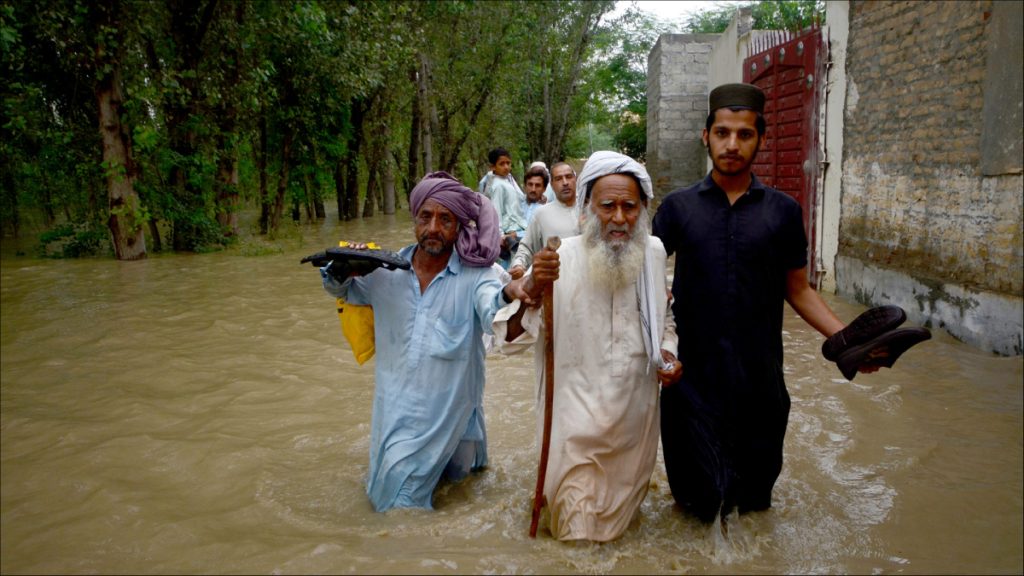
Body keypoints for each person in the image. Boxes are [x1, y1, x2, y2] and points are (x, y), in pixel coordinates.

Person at [651, 83, 879, 523]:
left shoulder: (784, 211)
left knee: (753, 507)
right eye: (722, 133)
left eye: (744, 134)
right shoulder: (678, 208)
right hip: (689, 381)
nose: (731, 144)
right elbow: (645, 284)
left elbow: (799, 290)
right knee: (694, 507)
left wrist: (847, 341)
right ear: (706, 136)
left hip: (760, 381)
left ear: (761, 139)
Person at [494, 151, 682, 542]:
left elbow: (664, 321)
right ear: (587, 209)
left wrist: (668, 354)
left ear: (643, 209)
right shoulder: (557, 257)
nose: (618, 218)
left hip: (635, 428)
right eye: (607, 206)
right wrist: (532, 288)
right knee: (578, 540)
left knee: (619, 537)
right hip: (573, 429)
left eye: (629, 207)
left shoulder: (653, 253)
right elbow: (509, 340)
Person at [319, 171, 534, 512]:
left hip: (459, 420)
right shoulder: (382, 272)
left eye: (445, 219)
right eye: (426, 217)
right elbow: (340, 288)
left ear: (460, 226)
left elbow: (492, 304)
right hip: (401, 421)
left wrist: (512, 291)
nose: (433, 228)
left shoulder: (476, 275)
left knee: (462, 494)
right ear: (414, 220)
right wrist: (342, 268)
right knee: (399, 509)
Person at [508, 162, 580, 280]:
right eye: (558, 179)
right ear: (551, 185)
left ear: (575, 179)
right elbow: (526, 247)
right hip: (556, 285)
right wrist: (519, 265)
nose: (565, 183)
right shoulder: (542, 214)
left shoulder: (591, 209)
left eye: (568, 177)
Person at [479, 147, 527, 268]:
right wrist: (500, 236)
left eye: (508, 163)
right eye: (502, 164)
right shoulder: (497, 186)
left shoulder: (508, 179)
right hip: (509, 231)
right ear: (493, 167)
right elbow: (496, 211)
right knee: (514, 266)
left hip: (518, 226)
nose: (506, 167)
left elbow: (520, 198)